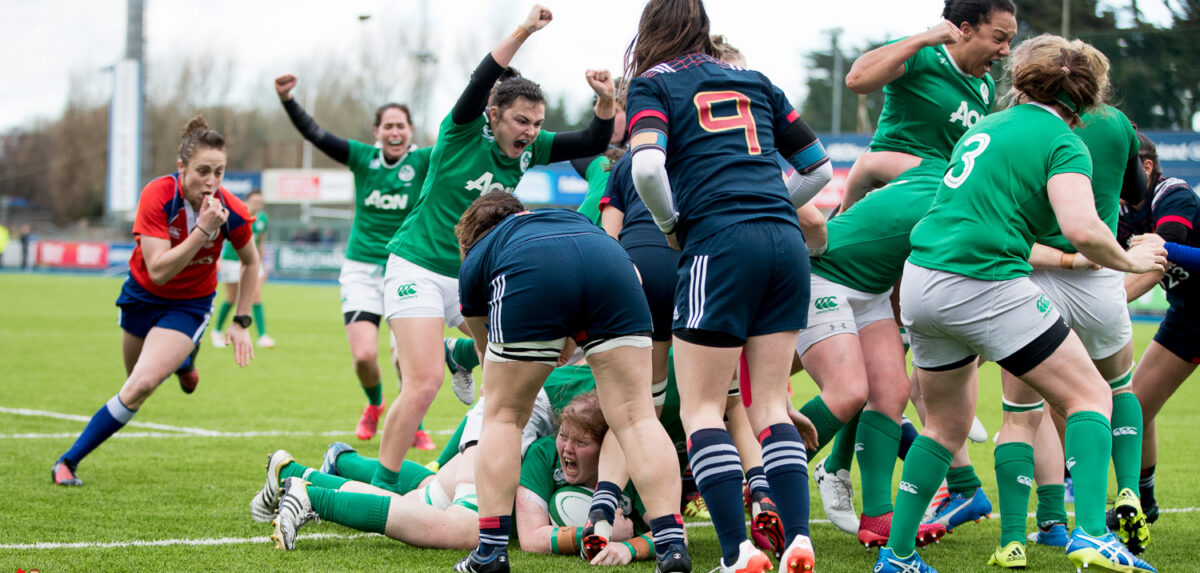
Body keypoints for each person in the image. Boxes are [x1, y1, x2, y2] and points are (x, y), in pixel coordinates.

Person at [875, 37, 1163, 573]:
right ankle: (1092, 535)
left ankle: (897, 556)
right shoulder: (1063, 141)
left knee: (944, 425)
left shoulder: (985, 126)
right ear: (1091, 97)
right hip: (982, 280)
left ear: (1024, 81)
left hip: (922, 277)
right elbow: (1081, 228)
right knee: (1092, 395)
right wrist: (1131, 258)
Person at [622, 1, 833, 571]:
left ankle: (738, 551)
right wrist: (769, 207)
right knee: (770, 404)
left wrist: (673, 226)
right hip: (786, 244)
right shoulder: (755, 78)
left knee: (702, 409)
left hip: (718, 243)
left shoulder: (653, 83)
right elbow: (819, 168)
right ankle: (796, 539)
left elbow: (645, 168)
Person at [375, 3, 615, 498]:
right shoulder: (461, 131)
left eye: (537, 122)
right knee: (421, 385)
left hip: (474, 279)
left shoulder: (529, 149)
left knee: (508, 380)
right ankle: (383, 483)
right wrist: (526, 28)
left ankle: (471, 458)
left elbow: (592, 137)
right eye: (521, 120)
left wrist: (606, 101)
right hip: (417, 267)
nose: (530, 131)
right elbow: (484, 74)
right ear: (494, 115)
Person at [451, 191, 689, 573]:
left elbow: (487, 360)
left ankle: (491, 551)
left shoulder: (478, 255)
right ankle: (671, 545)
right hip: (611, 261)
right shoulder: (570, 220)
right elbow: (628, 275)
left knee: (503, 414)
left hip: (530, 274)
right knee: (637, 417)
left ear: (471, 238)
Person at [985, 36, 1150, 568]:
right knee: (1115, 386)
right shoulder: (1115, 126)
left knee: (1020, 412)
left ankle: (1015, 539)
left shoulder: (1010, 125)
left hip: (1028, 272)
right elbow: (1137, 196)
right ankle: (1126, 491)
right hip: (1098, 272)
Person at [52, 116, 260, 486]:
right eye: (202, 171)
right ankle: (184, 359)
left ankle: (67, 461)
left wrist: (241, 320)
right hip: (141, 296)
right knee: (133, 378)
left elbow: (250, 261)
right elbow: (159, 270)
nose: (211, 182)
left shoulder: (233, 210)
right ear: (180, 167)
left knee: (140, 386)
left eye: (219, 171)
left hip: (189, 305)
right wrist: (202, 232)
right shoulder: (157, 196)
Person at [273, 75, 444, 447]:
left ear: (411, 130)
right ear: (377, 132)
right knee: (365, 355)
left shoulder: (425, 160)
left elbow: (460, 140)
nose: (395, 132)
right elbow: (316, 134)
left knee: (407, 362)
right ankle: (375, 405)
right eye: (388, 126)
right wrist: (288, 101)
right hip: (361, 269)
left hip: (408, 266)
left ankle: (413, 422)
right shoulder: (362, 158)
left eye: (401, 125)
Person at [840, 0, 1016, 212]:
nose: (1006, 51)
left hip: (938, 193)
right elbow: (856, 80)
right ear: (966, 30)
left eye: (1010, 41)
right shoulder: (924, 54)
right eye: (998, 39)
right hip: (891, 188)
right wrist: (923, 38)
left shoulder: (985, 86)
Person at [1121, 132, 1200, 538]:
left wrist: (1107, 304)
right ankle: (1143, 500)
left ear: (1145, 167)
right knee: (1135, 406)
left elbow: (1154, 265)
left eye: (1117, 162)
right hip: (1187, 320)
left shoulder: (1174, 195)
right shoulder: (1123, 211)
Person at [212, 190, 273, 349]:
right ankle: (217, 330)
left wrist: (263, 265)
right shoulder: (236, 214)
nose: (257, 205)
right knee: (231, 298)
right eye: (254, 201)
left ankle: (262, 336)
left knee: (256, 296)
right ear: (247, 201)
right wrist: (218, 259)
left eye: (260, 202)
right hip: (232, 261)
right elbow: (220, 236)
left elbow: (260, 244)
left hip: (253, 262)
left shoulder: (263, 219)